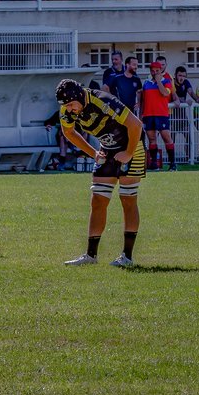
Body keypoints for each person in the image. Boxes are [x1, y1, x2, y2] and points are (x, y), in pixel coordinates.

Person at [57, 79, 146, 267]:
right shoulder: (67, 108)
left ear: (80, 96)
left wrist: (129, 153)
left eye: (72, 105)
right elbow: (69, 132)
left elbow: (136, 125)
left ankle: (127, 257)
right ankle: (91, 256)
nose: (70, 110)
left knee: (127, 199)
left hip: (132, 144)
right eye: (67, 106)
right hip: (108, 148)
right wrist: (93, 153)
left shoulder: (103, 100)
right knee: (98, 200)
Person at [140, 61, 176, 171]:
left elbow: (165, 93)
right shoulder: (146, 83)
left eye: (157, 71)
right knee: (152, 139)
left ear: (160, 71)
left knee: (166, 138)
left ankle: (172, 164)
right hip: (148, 114)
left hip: (162, 114)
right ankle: (154, 164)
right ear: (150, 71)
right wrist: (141, 114)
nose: (155, 73)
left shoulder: (166, 81)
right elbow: (143, 100)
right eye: (153, 71)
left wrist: (159, 81)